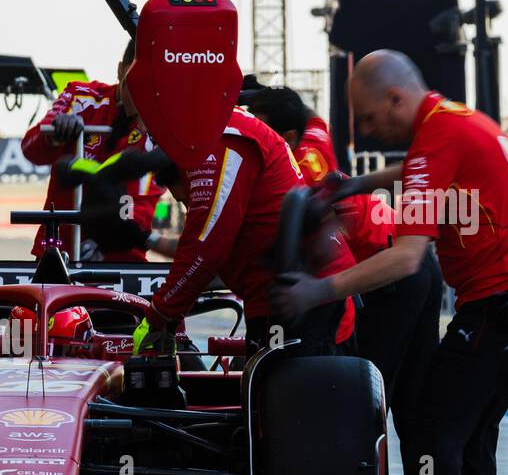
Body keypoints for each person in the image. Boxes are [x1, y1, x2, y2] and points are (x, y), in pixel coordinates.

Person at [272, 50, 508, 475]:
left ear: (396, 98)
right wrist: (354, 184)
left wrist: (316, 291)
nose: (366, 130)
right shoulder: (455, 122)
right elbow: (418, 168)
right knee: (467, 437)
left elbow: (406, 259)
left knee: (437, 432)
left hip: (490, 306)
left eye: (368, 119)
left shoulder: (436, 140)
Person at [249, 85, 441, 475]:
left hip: (394, 276)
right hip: (412, 269)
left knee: (367, 411)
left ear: (285, 134)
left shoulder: (302, 167)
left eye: (259, 122)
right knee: (414, 413)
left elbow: (323, 238)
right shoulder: (310, 139)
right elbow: (310, 119)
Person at [122, 102, 357, 355]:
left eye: (184, 200)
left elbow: (205, 248)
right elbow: (208, 251)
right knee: (265, 385)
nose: (187, 207)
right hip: (303, 296)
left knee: (282, 389)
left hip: (304, 301)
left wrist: (159, 314)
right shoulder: (226, 125)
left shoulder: (223, 137)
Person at [20, 38, 162, 262]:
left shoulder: (163, 124)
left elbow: (143, 203)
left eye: (149, 88)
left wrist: (102, 243)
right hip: (59, 252)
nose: (138, 99)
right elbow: (30, 150)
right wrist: (55, 136)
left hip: (122, 260)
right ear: (119, 70)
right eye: (131, 85)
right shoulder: (80, 97)